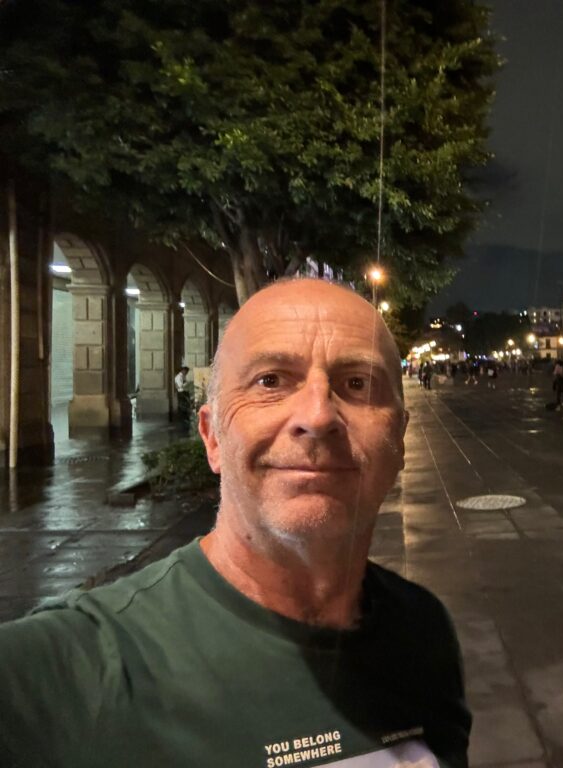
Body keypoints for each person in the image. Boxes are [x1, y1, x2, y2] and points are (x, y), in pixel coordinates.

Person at [0, 279, 471, 767]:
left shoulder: (423, 630)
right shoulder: (77, 668)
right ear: (212, 438)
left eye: (358, 384)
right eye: (271, 381)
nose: (317, 415)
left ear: (398, 440)